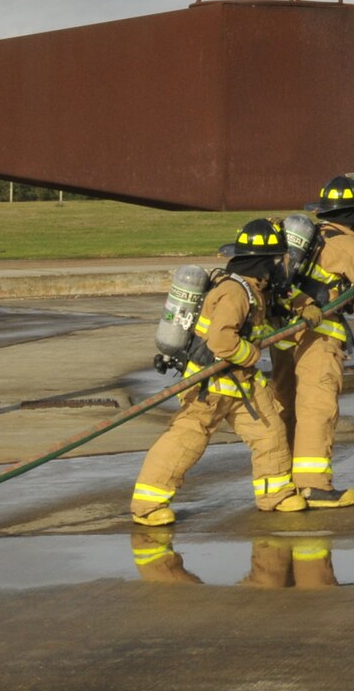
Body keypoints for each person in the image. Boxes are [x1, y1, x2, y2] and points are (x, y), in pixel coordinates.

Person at [129, 222, 304, 525]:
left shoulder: (253, 291)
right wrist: (250, 354)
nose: (278, 268)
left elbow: (263, 331)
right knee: (187, 440)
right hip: (209, 385)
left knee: (270, 432)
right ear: (260, 264)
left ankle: (275, 494)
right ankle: (147, 504)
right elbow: (221, 340)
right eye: (274, 261)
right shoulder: (235, 293)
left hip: (241, 383)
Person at [270, 172, 354, 508]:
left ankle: (281, 483)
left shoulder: (312, 239)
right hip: (317, 339)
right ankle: (314, 486)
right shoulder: (344, 244)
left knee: (286, 408)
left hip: (284, 337)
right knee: (317, 408)